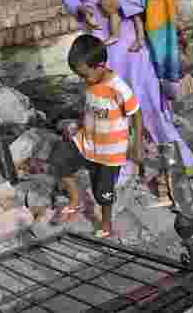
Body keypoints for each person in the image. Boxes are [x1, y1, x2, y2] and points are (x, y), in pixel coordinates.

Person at [62, 0, 193, 182]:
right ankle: (118, 163)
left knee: (145, 99)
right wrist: (79, 7)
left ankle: (173, 157)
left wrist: (122, 5)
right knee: (106, 105)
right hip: (100, 43)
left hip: (133, 45)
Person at [51, 35, 143, 238]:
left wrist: (137, 144)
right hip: (87, 141)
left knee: (103, 192)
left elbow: (136, 112)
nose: (83, 80)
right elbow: (92, 108)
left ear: (100, 66)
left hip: (110, 152)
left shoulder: (118, 88)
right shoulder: (91, 81)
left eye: (84, 75)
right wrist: (80, 124)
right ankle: (76, 200)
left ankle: (106, 223)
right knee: (59, 161)